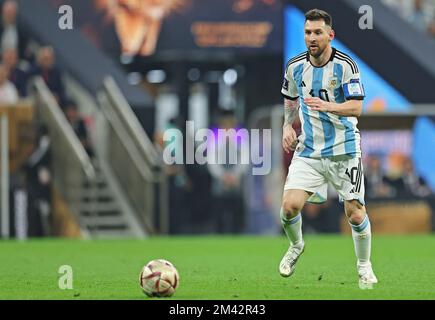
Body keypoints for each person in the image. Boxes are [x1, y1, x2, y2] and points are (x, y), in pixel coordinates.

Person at [279, 9, 377, 289]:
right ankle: (296, 246)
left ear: (330, 35)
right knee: (288, 208)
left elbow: (357, 107)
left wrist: (329, 106)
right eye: (308, 32)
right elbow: (290, 99)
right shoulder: (295, 66)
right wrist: (288, 126)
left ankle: (364, 267)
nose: (312, 37)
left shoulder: (346, 65)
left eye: (318, 32)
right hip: (309, 150)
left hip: (344, 149)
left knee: (355, 213)